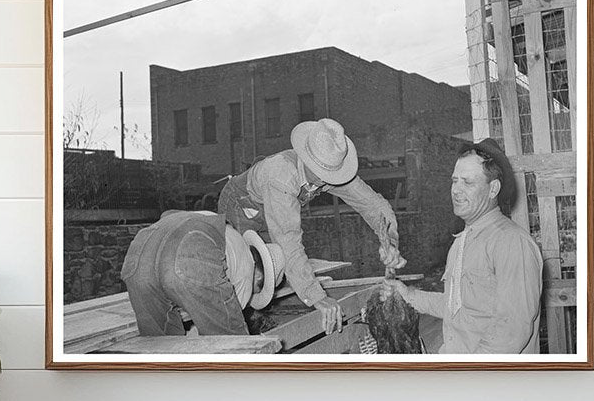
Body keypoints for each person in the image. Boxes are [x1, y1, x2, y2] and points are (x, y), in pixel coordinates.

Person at [218, 117, 404, 336]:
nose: (329, 180)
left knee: (276, 271)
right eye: (323, 175)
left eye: (332, 175)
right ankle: (247, 330)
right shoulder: (282, 175)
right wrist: (316, 296)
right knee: (253, 275)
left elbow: (373, 204)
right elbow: (288, 240)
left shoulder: (333, 166)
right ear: (307, 159)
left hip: (276, 205)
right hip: (242, 206)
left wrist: (389, 240)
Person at [381, 139, 543, 354]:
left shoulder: (511, 242)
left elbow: (511, 330)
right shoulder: (462, 241)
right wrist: (407, 295)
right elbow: (457, 308)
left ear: (493, 189)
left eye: (467, 182)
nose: (456, 190)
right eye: (454, 181)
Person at [121, 210, 285, 337]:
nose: (252, 295)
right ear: (259, 276)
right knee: (233, 346)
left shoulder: (230, 237)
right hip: (190, 250)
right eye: (257, 289)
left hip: (139, 252)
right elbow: (226, 324)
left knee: (160, 343)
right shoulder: (247, 267)